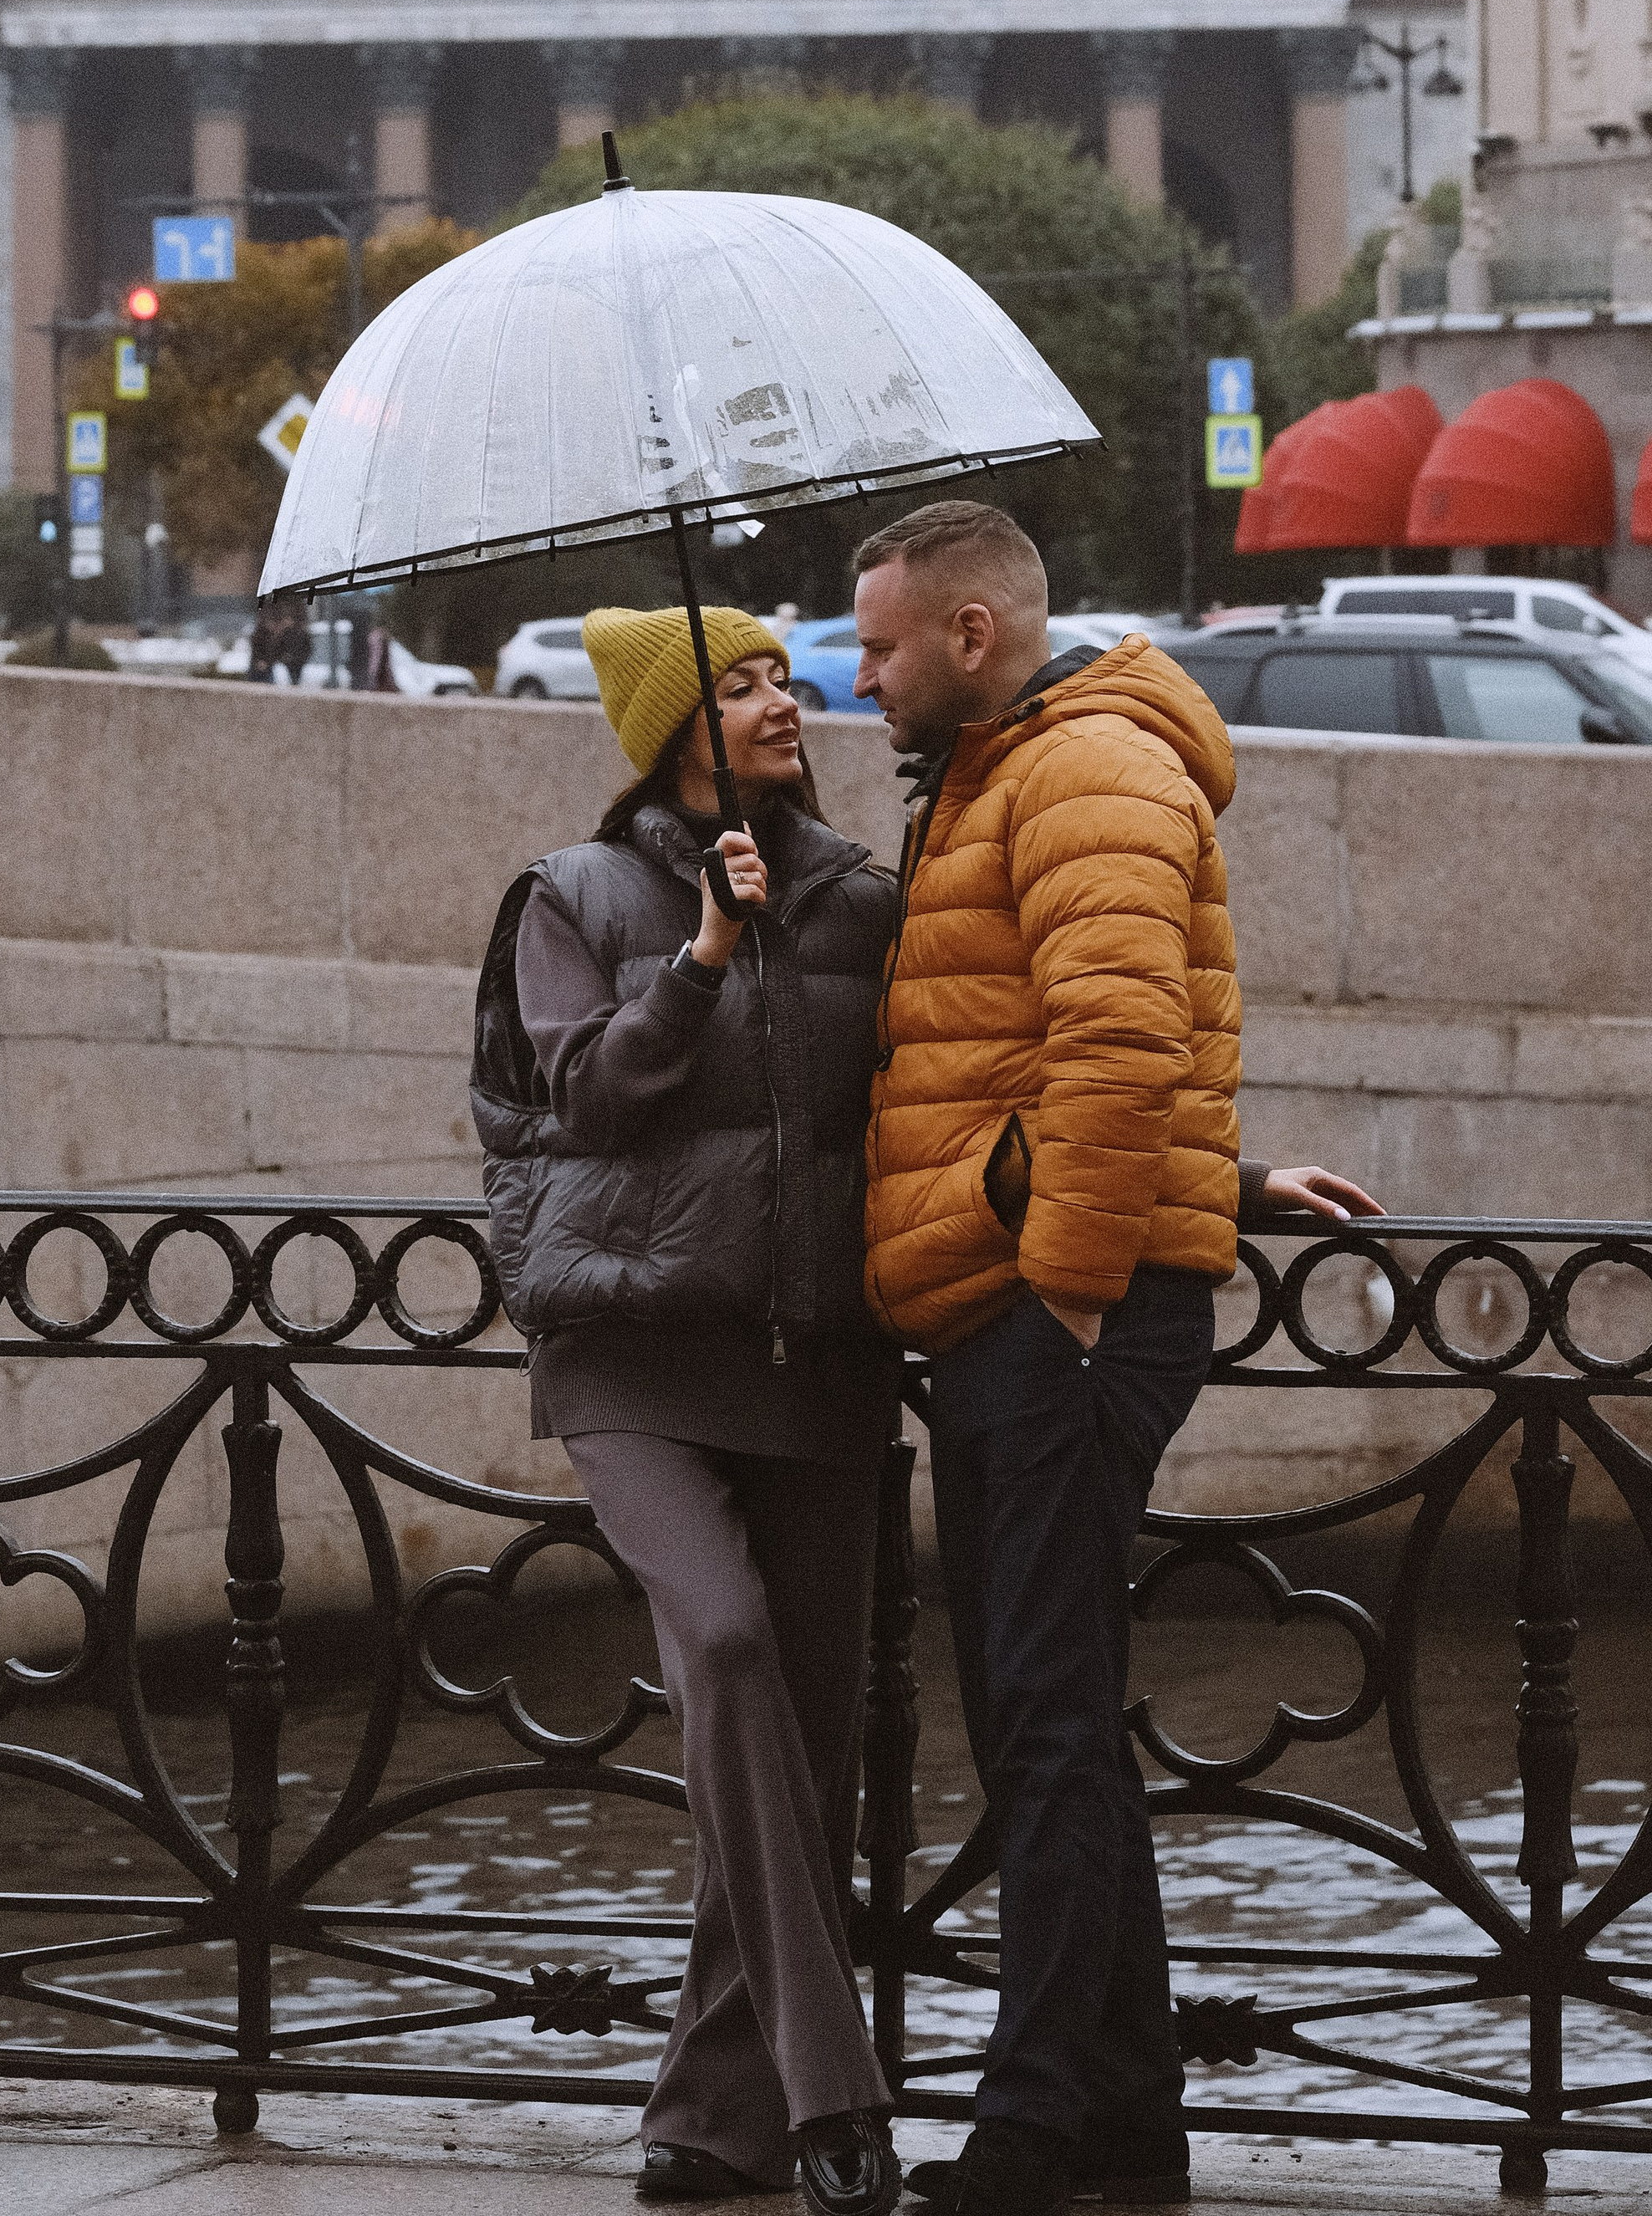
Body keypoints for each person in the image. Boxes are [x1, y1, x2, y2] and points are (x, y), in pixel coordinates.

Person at [849, 501, 1376, 2216]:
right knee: (1034, 1711)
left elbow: (1118, 1035)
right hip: (1029, 1294)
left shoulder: (1080, 771)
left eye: (879, 646)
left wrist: (1070, 1285)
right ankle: (1124, 2107)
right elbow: (1034, 1045)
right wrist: (1214, 1186)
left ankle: (1025, 2127)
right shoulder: (1014, 769)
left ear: (971, 637)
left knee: (1048, 1717)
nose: (863, 679)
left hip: (1052, 1314)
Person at [472, 604, 907, 2216]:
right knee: (722, 1646)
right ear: (672, 726)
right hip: (632, 1357)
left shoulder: (865, 894)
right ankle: (833, 2091)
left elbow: (968, 1091)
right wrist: (707, 959)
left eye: (786, 673)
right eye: (740, 680)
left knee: (789, 1747)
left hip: (816, 1361)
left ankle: (707, 2119)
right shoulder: (571, 896)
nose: (782, 698)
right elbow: (576, 1093)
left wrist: (1224, 1186)